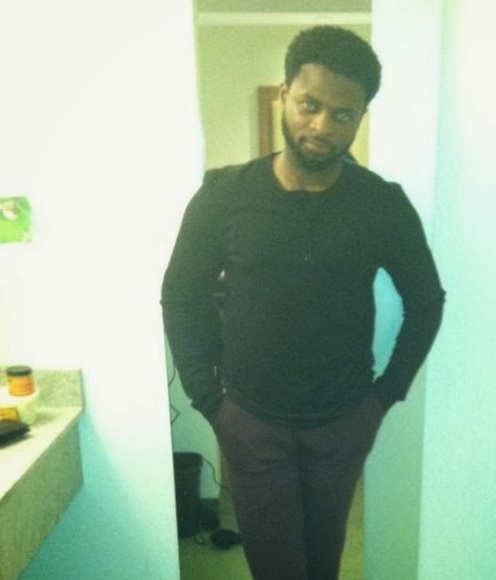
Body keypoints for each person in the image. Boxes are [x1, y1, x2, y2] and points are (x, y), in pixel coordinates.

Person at [161, 25, 445, 580]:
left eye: (342, 115)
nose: (321, 127)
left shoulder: (381, 205)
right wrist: (210, 401)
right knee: (277, 569)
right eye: (310, 105)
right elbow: (181, 295)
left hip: (343, 423)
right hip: (251, 422)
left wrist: (383, 399)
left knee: (323, 564)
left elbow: (427, 301)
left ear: (360, 118)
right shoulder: (224, 194)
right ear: (286, 93)